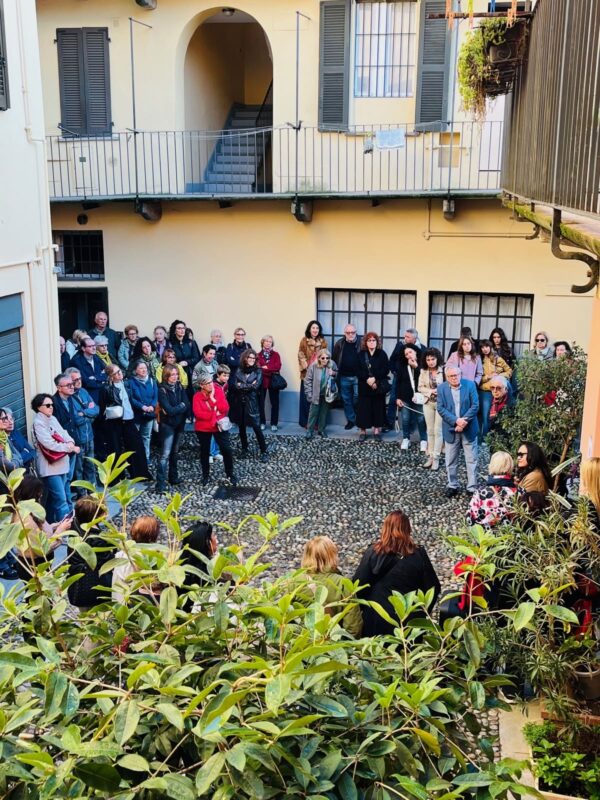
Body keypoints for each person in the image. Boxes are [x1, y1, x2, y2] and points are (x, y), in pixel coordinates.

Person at [353, 510, 440, 636]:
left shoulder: (373, 552)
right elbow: (433, 587)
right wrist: (421, 612)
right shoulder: (419, 554)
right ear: (408, 529)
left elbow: (358, 586)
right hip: (409, 620)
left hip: (377, 618)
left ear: (385, 528)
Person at [10, 475, 73, 581]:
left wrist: (56, 526)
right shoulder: (26, 519)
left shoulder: (30, 510)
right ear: (32, 494)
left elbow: (40, 531)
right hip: (35, 566)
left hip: (39, 564)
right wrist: (59, 531)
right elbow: (42, 549)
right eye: (39, 493)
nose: (41, 495)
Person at [297, 536, 362, 636]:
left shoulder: (294, 582)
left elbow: (285, 619)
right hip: (332, 645)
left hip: (302, 645)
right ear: (332, 556)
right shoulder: (343, 583)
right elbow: (353, 627)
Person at [31, 393, 79, 522]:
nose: (51, 407)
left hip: (62, 463)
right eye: (47, 405)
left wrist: (71, 442)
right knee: (61, 499)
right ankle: (65, 530)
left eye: (52, 404)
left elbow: (64, 433)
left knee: (56, 498)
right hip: (50, 467)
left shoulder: (52, 418)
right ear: (38, 407)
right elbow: (48, 443)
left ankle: (52, 525)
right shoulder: (38, 423)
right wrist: (69, 447)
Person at [100, 364, 151, 480]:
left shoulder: (126, 384)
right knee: (115, 449)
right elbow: (103, 406)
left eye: (120, 371)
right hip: (114, 422)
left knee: (137, 446)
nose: (120, 374)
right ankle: (117, 477)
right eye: (116, 373)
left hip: (129, 419)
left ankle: (140, 474)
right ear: (111, 376)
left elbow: (130, 400)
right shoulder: (106, 388)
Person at [437, 365, 479, 498]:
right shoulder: (441, 388)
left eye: (456, 375)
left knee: (471, 459)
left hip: (469, 427)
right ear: (447, 377)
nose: (454, 378)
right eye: (451, 376)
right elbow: (441, 408)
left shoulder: (470, 385)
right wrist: (456, 421)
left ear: (461, 374)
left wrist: (464, 421)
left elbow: (475, 405)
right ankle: (452, 485)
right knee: (450, 459)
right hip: (451, 428)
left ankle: (471, 487)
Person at [67, 496, 114, 609]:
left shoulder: (76, 526)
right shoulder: (97, 539)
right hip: (94, 590)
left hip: (77, 585)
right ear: (97, 515)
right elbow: (108, 562)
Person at [193, 373, 236, 486]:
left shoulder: (218, 391)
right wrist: (214, 413)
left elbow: (225, 408)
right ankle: (205, 475)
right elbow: (198, 414)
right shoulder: (197, 396)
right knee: (204, 451)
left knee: (226, 449)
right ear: (202, 385)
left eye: (211, 382)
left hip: (219, 426)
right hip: (203, 428)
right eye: (208, 383)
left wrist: (213, 399)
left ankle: (230, 474)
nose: (211, 385)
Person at [64, 367, 98, 495]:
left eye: (79, 378)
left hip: (90, 435)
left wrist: (83, 413)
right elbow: (75, 420)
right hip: (78, 438)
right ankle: (81, 495)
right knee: (78, 468)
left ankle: (92, 492)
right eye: (75, 380)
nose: (78, 381)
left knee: (90, 465)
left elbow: (96, 409)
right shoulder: (68, 398)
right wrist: (88, 413)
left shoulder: (83, 392)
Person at [156, 364, 190, 492]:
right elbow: (168, 410)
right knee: (165, 454)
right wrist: (180, 407)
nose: (175, 377)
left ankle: (173, 477)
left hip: (179, 423)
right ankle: (160, 484)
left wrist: (180, 407)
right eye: (172, 375)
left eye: (176, 374)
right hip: (167, 425)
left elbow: (186, 403)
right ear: (166, 376)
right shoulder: (162, 390)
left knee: (175, 453)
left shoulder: (180, 386)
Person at [112, 515, 161, 603]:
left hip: (120, 604)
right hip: (140, 605)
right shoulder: (154, 557)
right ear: (154, 535)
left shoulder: (121, 555)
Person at [232, 349, 268, 462]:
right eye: (250, 358)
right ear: (245, 358)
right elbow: (235, 386)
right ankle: (244, 448)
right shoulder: (239, 370)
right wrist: (248, 385)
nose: (252, 360)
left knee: (256, 427)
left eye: (253, 358)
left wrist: (242, 385)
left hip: (252, 403)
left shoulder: (258, 371)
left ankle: (264, 451)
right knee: (241, 427)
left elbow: (256, 386)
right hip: (240, 402)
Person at [467, 451, 518, 529]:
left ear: (491, 466)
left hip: (488, 539)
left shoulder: (480, 492)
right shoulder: (518, 491)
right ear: (510, 467)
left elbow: (470, 519)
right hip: (511, 537)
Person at [386, 328, 423, 430]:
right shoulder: (400, 345)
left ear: (414, 338)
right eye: (404, 336)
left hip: (415, 379)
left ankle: (411, 427)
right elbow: (392, 359)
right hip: (400, 377)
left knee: (414, 400)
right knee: (394, 398)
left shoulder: (422, 348)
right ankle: (390, 423)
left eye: (407, 337)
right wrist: (394, 371)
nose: (404, 338)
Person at [356, 332, 389, 443]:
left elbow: (385, 369)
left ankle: (376, 431)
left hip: (377, 386)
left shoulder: (382, 354)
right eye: (369, 340)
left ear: (377, 342)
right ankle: (362, 431)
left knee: (378, 408)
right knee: (363, 409)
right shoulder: (361, 354)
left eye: (373, 340)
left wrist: (375, 379)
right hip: (364, 386)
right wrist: (367, 379)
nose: (371, 342)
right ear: (366, 342)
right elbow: (358, 370)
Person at [395, 343, 427, 453]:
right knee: (405, 419)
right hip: (405, 396)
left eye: (410, 352)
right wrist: (398, 397)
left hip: (419, 396)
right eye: (406, 354)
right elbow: (397, 382)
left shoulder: (423, 364)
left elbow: (425, 378)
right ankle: (406, 438)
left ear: (416, 352)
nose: (408, 355)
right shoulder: (402, 365)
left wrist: (416, 367)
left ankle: (423, 440)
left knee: (421, 419)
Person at [179, 522, 218, 611]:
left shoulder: (178, 567)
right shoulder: (210, 573)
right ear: (207, 543)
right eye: (214, 536)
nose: (216, 539)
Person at [51, 372, 79, 491]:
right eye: (68, 385)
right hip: (62, 447)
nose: (72, 387)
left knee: (69, 476)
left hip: (72, 442)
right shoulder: (53, 404)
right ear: (59, 388)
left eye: (72, 384)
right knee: (64, 478)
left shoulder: (71, 399)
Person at [478, 340, 512, 437]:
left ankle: (492, 437)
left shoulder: (498, 359)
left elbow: (509, 371)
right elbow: (478, 379)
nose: (485, 349)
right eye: (482, 347)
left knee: (495, 415)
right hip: (485, 391)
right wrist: (488, 377)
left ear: (490, 347)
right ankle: (484, 437)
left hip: (498, 391)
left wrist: (498, 376)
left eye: (486, 347)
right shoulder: (479, 360)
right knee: (485, 415)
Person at [417, 348, 444, 470]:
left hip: (440, 404)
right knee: (430, 430)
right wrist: (430, 391)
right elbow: (420, 387)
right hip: (428, 402)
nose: (430, 362)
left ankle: (437, 457)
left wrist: (438, 391)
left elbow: (448, 386)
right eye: (428, 359)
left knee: (438, 431)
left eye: (432, 359)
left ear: (437, 359)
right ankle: (431, 457)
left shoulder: (443, 371)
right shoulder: (423, 371)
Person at [128, 360, 158, 464]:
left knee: (146, 436)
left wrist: (152, 406)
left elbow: (155, 395)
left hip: (149, 413)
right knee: (135, 438)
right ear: (135, 370)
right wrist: (142, 407)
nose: (144, 370)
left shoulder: (151, 380)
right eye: (141, 368)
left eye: (145, 367)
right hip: (137, 414)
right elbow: (131, 398)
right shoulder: (131, 382)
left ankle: (146, 457)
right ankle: (136, 459)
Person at [297, 321, 327, 428]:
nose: (315, 330)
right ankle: (305, 422)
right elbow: (300, 354)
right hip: (306, 375)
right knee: (306, 399)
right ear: (309, 329)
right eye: (313, 328)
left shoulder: (323, 342)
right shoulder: (304, 340)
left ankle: (316, 423)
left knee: (317, 399)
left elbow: (325, 357)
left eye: (317, 328)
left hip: (318, 375)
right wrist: (306, 365)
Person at [332, 324, 362, 430]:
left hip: (357, 377)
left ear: (356, 332)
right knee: (346, 399)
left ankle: (358, 418)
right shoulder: (339, 343)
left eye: (353, 332)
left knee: (357, 397)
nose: (350, 335)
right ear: (345, 333)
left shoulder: (361, 343)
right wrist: (334, 371)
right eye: (348, 333)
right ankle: (351, 420)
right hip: (344, 376)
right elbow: (334, 359)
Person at [304, 349, 337, 439]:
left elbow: (337, 374)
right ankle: (309, 431)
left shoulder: (332, 364)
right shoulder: (313, 366)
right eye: (323, 358)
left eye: (327, 358)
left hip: (327, 394)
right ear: (318, 358)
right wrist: (309, 394)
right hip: (315, 394)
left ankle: (321, 430)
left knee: (324, 413)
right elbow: (307, 381)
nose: (325, 360)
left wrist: (333, 373)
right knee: (313, 413)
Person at [257, 335, 283, 432]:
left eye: (270, 341)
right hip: (262, 382)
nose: (268, 343)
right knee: (260, 403)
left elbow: (277, 367)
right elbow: (258, 369)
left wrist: (266, 368)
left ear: (272, 343)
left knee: (275, 403)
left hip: (273, 382)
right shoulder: (258, 355)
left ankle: (274, 424)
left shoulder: (276, 355)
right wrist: (269, 368)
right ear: (262, 342)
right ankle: (262, 422)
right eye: (266, 341)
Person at [169, 320, 201, 399]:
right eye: (179, 328)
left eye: (183, 328)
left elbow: (197, 358)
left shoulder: (191, 342)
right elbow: (169, 359)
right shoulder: (171, 344)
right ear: (174, 331)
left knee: (193, 396)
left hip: (191, 373)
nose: (182, 330)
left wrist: (186, 362)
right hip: (177, 374)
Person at [70, 337, 107, 404]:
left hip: (101, 393)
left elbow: (107, 373)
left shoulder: (96, 357)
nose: (94, 348)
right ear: (83, 348)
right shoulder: (76, 361)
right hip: (88, 395)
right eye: (90, 346)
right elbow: (86, 382)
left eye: (94, 345)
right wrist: (101, 380)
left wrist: (95, 378)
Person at [3, 408, 36, 472]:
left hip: (27, 472)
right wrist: (25, 452)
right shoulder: (3, 440)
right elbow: (11, 465)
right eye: (6, 420)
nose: (11, 422)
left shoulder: (16, 433)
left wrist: (19, 459)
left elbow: (32, 451)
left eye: (11, 419)